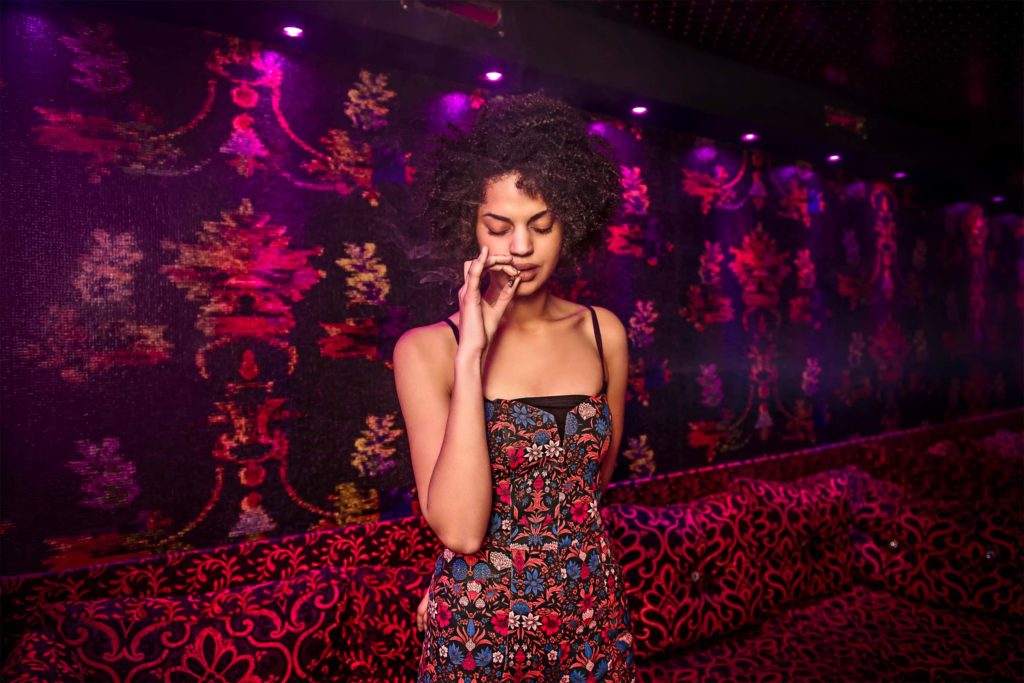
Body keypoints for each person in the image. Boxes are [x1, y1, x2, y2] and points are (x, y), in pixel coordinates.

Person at [393, 91, 636, 681]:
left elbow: (591, 484)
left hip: (591, 613)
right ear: (469, 226)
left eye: (542, 226)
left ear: (570, 227)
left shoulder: (603, 334)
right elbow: (461, 527)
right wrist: (473, 353)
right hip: (479, 628)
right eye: (498, 227)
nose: (521, 249)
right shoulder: (426, 351)